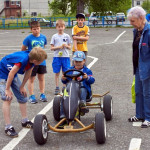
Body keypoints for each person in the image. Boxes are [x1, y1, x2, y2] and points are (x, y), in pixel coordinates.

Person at [0, 47, 47, 137]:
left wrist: (22, 87)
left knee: (23, 96)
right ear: (35, 60)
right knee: (7, 98)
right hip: (2, 73)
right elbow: (11, 74)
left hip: (12, 73)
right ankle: (8, 127)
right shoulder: (23, 60)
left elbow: (28, 73)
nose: (42, 62)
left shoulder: (32, 60)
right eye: (41, 61)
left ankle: (25, 121)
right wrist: (7, 89)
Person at [127, 6, 150, 128]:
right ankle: (139, 114)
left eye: (133, 21)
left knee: (147, 93)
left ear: (141, 18)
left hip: (147, 68)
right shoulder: (136, 31)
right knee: (138, 92)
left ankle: (148, 118)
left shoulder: (149, 31)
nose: (131, 24)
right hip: (137, 67)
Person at [61, 51, 95, 120]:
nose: (78, 63)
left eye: (80, 61)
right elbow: (65, 81)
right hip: (72, 89)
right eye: (76, 61)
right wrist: (63, 78)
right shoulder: (69, 70)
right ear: (73, 61)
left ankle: (82, 103)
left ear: (84, 61)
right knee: (64, 96)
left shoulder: (87, 71)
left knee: (82, 89)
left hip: (83, 89)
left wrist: (87, 77)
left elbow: (92, 80)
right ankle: (63, 114)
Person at [21, 21, 47, 104]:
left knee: (41, 78)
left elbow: (44, 47)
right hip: (32, 63)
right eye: (34, 29)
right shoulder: (28, 38)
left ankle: (42, 94)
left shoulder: (43, 37)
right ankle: (31, 95)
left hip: (42, 62)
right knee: (31, 79)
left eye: (38, 29)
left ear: (40, 28)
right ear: (31, 29)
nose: (36, 30)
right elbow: (23, 49)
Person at [50, 19, 71, 95]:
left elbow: (70, 47)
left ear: (64, 27)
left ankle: (64, 86)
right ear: (56, 27)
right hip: (57, 57)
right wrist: (58, 47)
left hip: (65, 57)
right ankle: (57, 87)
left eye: (62, 26)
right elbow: (51, 48)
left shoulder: (67, 36)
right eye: (59, 27)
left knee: (65, 73)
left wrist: (66, 46)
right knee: (57, 73)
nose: (60, 28)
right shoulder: (54, 36)